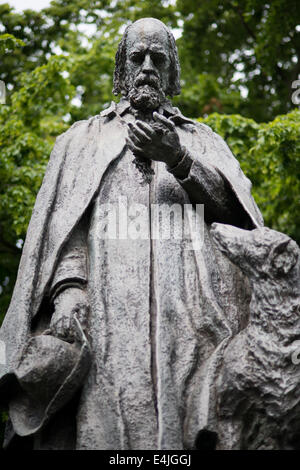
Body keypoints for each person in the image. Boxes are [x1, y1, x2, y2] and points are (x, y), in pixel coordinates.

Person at [0, 18, 263, 450]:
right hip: (108, 309)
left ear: (172, 73)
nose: (146, 67)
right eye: (136, 57)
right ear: (121, 70)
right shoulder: (81, 140)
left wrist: (179, 159)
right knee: (108, 420)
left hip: (193, 313)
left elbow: (243, 220)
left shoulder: (202, 141)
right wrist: (68, 290)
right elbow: (67, 227)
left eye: (158, 59)